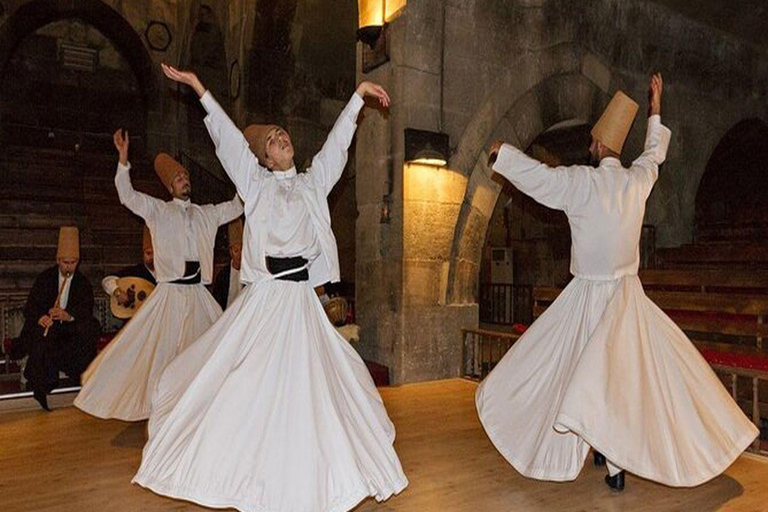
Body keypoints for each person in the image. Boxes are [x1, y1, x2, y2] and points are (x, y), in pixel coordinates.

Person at [132, 63, 408, 512]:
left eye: (284, 135)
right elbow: (225, 139)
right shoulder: (255, 185)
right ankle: (244, 458)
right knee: (252, 379)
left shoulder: (313, 184)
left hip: (300, 299)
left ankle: (311, 465)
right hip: (266, 299)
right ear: (264, 158)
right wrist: (200, 89)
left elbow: (338, 147)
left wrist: (357, 95)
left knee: (315, 380)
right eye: (274, 140)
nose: (282, 139)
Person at [476, 73, 758, 491]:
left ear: (598, 146)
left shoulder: (581, 183)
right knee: (617, 380)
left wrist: (505, 155)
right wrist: (656, 105)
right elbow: (654, 154)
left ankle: (611, 460)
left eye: (591, 142)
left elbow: (539, 179)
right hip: (628, 298)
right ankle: (610, 456)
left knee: (576, 373)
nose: (590, 146)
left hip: (588, 296)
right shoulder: (635, 181)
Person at [73, 136, 243, 421]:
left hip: (198, 293)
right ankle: (164, 409)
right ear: (169, 186)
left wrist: (244, 168)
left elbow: (237, 207)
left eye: (185, 176)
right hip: (170, 294)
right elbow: (127, 196)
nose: (184, 180)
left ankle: (204, 410)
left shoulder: (207, 214)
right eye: (178, 178)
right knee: (159, 352)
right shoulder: (159, 211)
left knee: (216, 345)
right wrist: (123, 161)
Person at [11, 226, 99, 411]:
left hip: (68, 330)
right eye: (65, 262)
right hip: (49, 329)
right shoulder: (45, 278)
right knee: (41, 337)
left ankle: (83, 377)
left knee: (91, 327)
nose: (69, 267)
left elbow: (86, 310)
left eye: (73, 262)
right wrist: (41, 317)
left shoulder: (82, 283)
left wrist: (68, 315)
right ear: (58, 260)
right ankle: (42, 386)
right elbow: (31, 307)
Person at [101, 225, 157, 306]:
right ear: (142, 253)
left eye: (156, 254)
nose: (152, 257)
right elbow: (107, 280)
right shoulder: (136, 271)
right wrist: (117, 292)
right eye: (148, 253)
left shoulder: (169, 275)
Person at [211, 218, 244, 309]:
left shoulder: (249, 273)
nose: (240, 255)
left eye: (242, 250)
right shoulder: (223, 276)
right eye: (236, 251)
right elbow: (216, 304)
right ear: (230, 252)